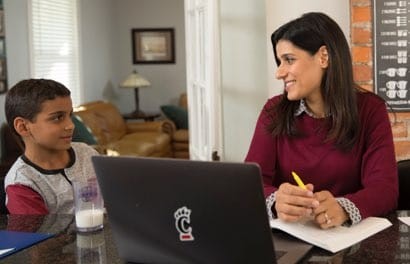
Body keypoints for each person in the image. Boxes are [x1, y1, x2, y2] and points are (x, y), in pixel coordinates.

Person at [245, 12, 398, 229]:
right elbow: (251, 183)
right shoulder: (273, 111)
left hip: (349, 241)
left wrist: (344, 207)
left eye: (289, 59)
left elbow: (385, 189)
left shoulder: (371, 110)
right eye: (279, 62)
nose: (279, 73)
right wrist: (275, 200)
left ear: (323, 57)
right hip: (287, 241)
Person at [4, 78, 99, 214]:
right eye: (57, 117)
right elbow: (41, 234)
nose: (71, 125)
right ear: (23, 127)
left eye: (69, 115)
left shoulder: (87, 153)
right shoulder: (22, 184)